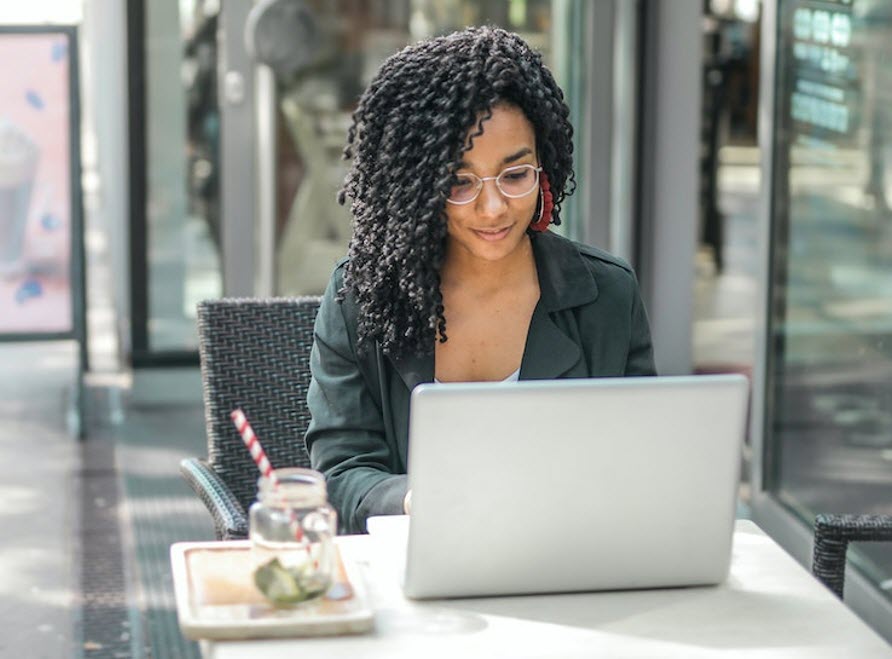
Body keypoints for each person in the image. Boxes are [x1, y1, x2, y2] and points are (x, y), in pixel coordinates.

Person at [305, 26, 656, 534]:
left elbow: (641, 465)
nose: (492, 209)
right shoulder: (361, 298)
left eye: (515, 176)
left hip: (571, 562)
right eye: (459, 182)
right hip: (416, 572)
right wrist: (414, 499)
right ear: (417, 187)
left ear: (545, 168)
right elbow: (339, 476)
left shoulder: (607, 296)